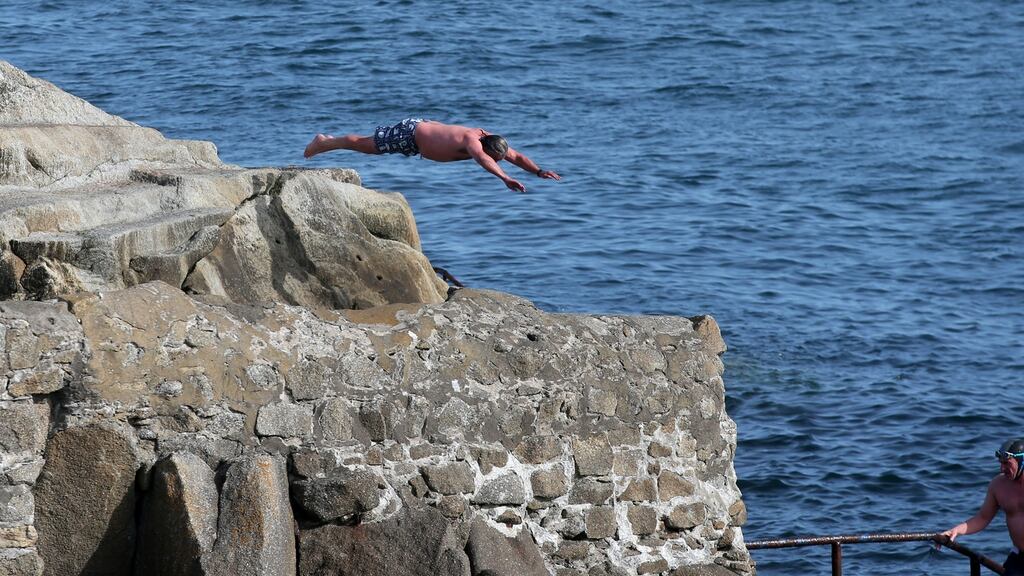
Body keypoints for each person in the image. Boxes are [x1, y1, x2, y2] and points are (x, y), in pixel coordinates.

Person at [304, 118, 561, 193]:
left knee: (370, 148)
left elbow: (516, 157)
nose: (495, 160)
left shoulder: (493, 141)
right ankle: (326, 142)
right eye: (494, 158)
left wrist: (538, 171)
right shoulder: (474, 143)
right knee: (366, 145)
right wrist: (505, 179)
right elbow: (484, 160)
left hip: (419, 140)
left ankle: (328, 142)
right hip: (412, 133)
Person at [941, 439, 1024, 575]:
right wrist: (956, 530)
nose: (1002, 469)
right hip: (1018, 557)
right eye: (1000, 463)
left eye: (1007, 463)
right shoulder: (998, 485)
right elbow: (982, 518)